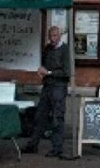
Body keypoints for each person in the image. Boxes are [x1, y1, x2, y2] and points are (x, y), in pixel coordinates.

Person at [23, 25, 71, 158]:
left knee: (57, 117)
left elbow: (67, 72)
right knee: (40, 116)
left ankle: (57, 147)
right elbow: (45, 64)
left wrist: (49, 72)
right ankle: (33, 144)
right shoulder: (48, 49)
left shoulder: (65, 50)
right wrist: (43, 72)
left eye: (55, 36)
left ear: (60, 36)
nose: (52, 39)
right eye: (51, 36)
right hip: (48, 85)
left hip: (58, 87)